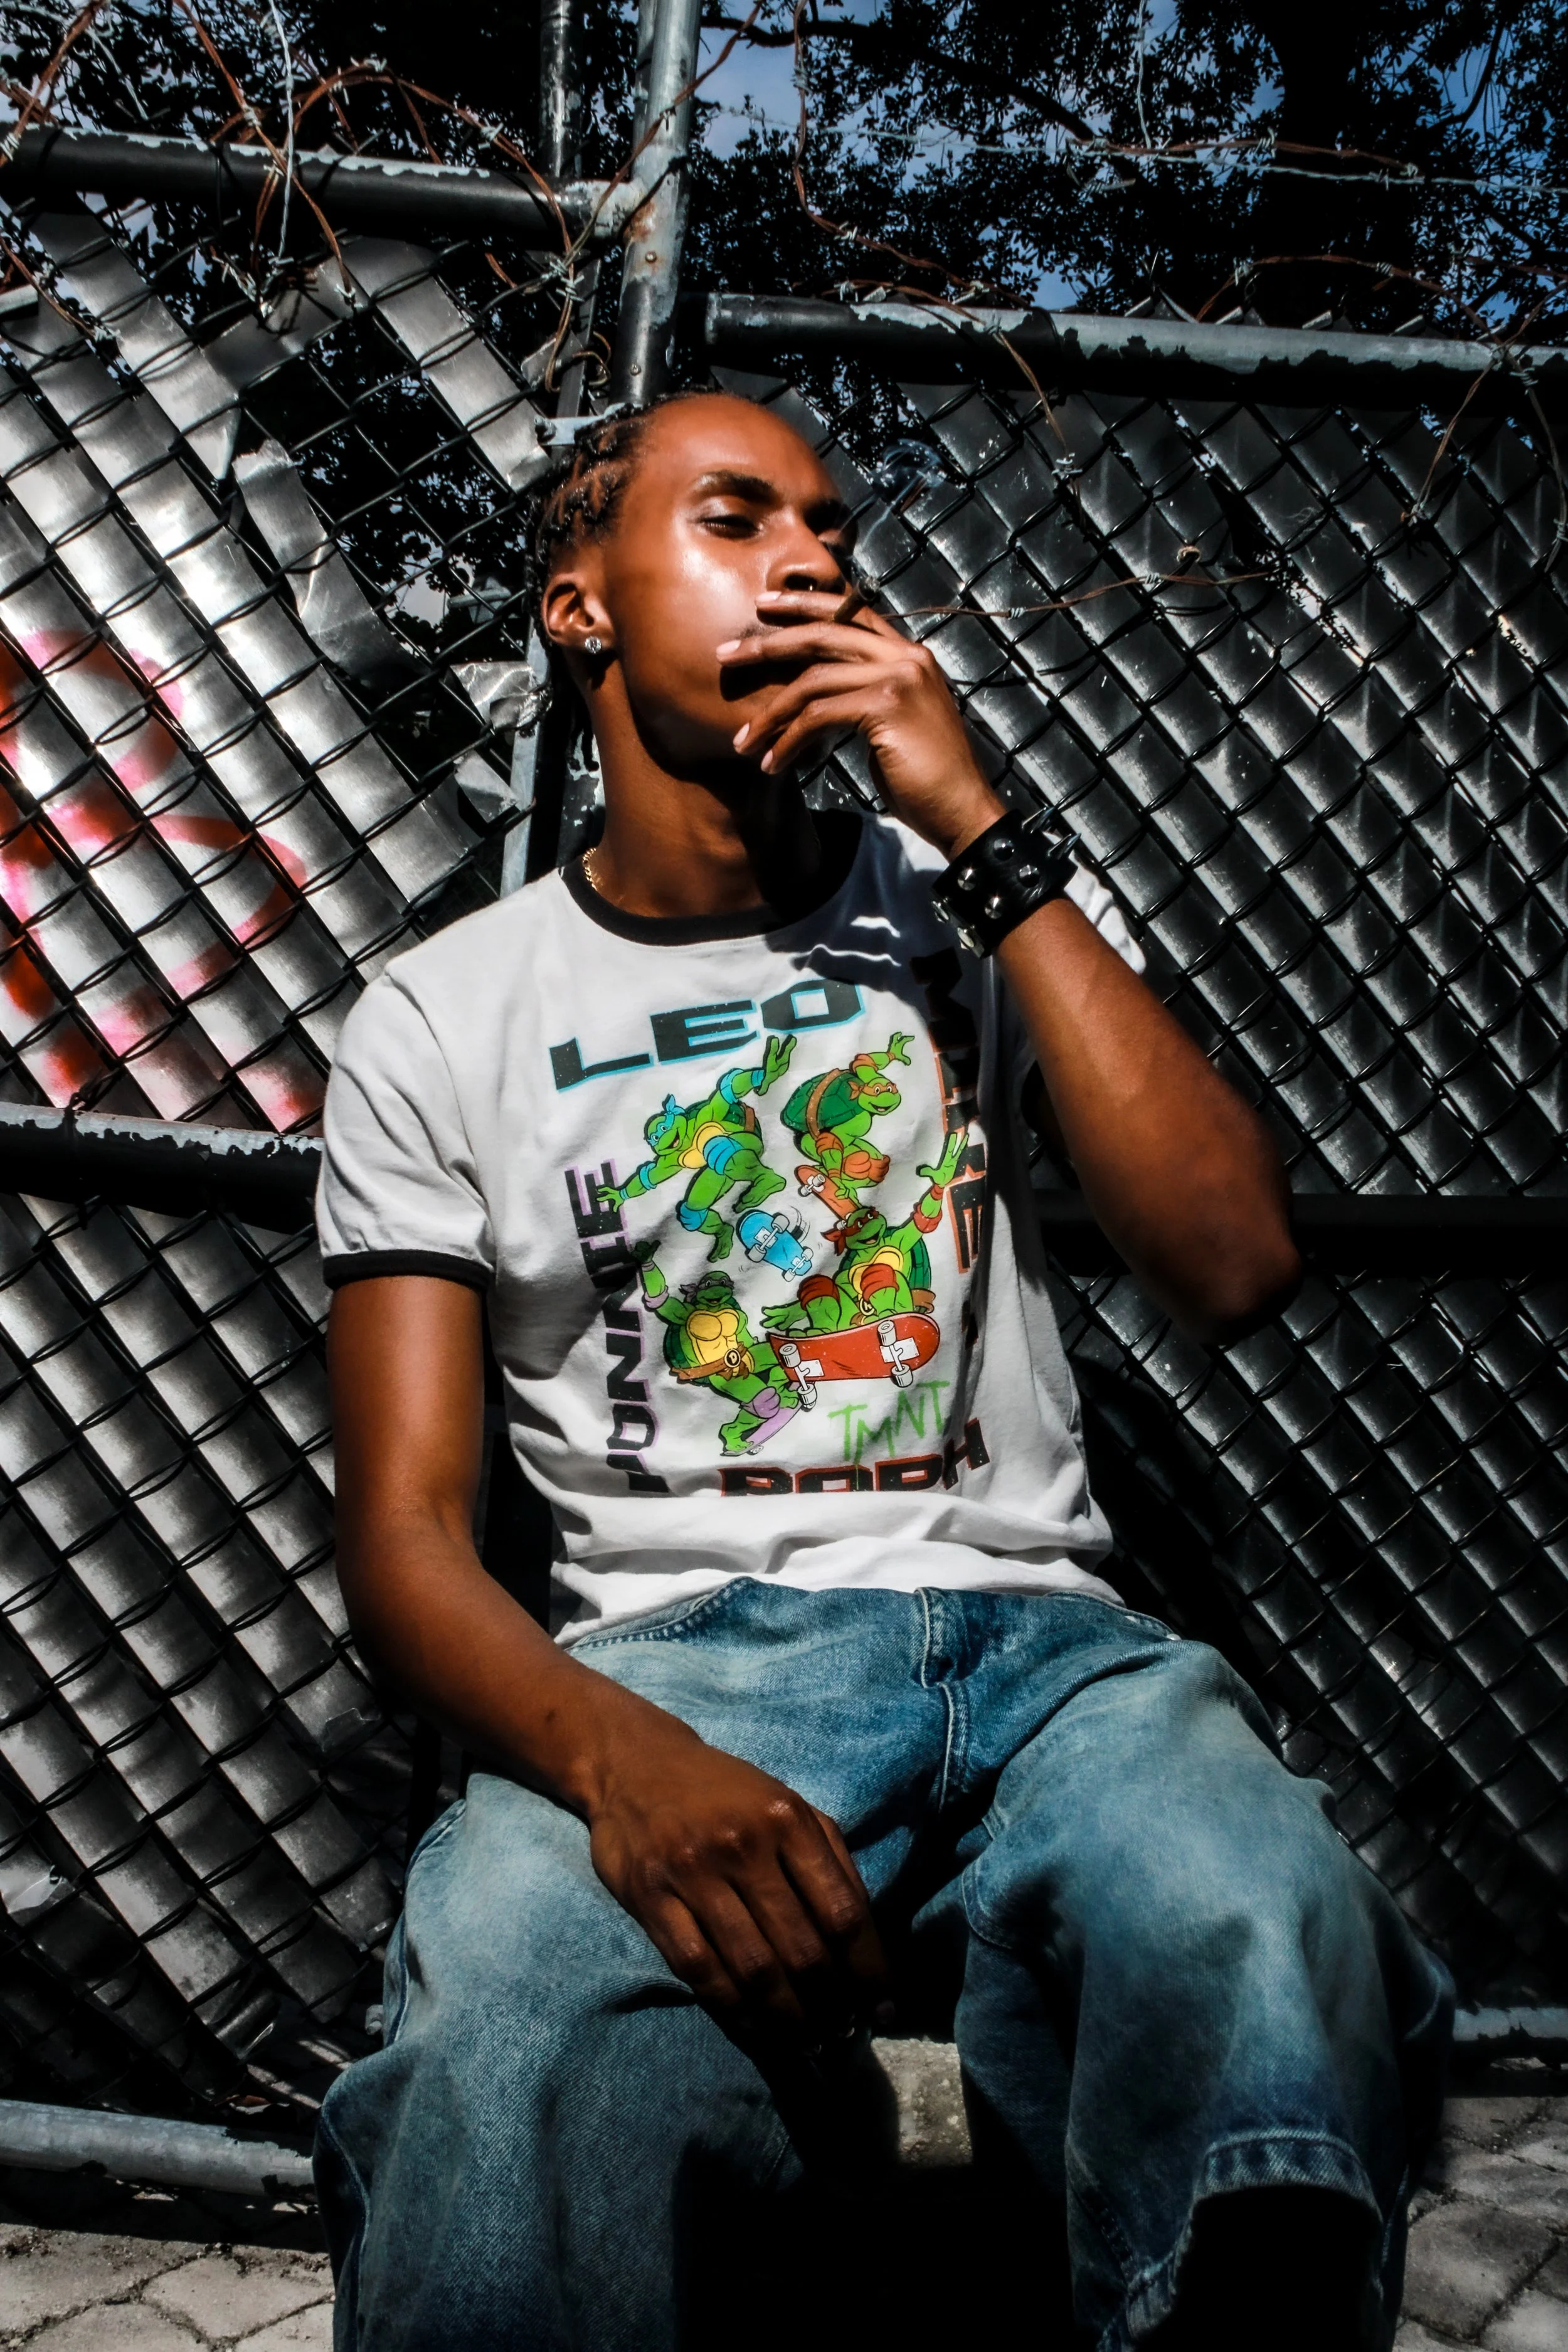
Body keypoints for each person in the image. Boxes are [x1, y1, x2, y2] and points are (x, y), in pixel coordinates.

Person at [314, 389, 1451, 2351]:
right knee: (504, 2028)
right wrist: (622, 1763)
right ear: (578, 604)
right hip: (679, 1666)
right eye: (737, 517)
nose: (814, 559)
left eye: (831, 528)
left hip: (1051, 1662)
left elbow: (1236, 1259)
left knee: (1253, 1915)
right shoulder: (446, 1012)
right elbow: (407, 1544)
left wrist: (985, 832)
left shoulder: (957, 922)